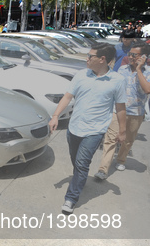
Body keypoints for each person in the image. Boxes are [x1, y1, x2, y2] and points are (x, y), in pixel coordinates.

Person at [48, 43, 126, 214]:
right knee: (76, 162)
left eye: (90, 56)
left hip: (94, 130)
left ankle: (71, 198)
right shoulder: (81, 75)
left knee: (82, 164)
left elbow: (120, 108)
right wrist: (55, 116)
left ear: (102, 59)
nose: (87, 59)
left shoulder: (117, 80)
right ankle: (79, 179)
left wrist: (122, 131)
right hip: (74, 128)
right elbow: (67, 97)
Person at [95, 42, 150, 179]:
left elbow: (147, 89)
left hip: (136, 113)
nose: (130, 57)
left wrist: (138, 70)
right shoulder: (122, 69)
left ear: (144, 56)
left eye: (134, 55)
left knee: (128, 141)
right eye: (129, 54)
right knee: (110, 139)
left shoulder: (148, 72)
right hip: (118, 110)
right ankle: (103, 169)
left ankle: (120, 160)